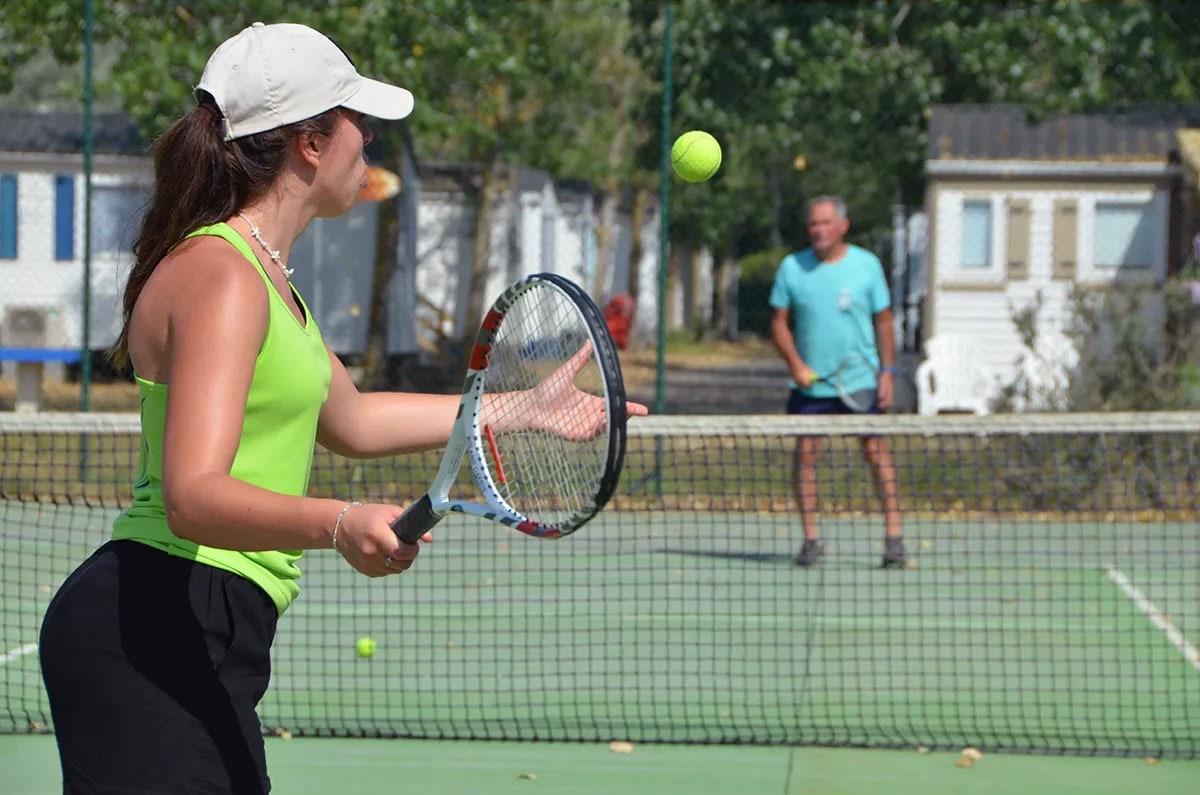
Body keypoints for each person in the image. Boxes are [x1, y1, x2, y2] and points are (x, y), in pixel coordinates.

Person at [37, 22, 646, 794]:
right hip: (158, 620)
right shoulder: (222, 275)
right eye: (359, 120)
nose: (372, 142)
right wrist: (337, 521)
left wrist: (515, 406)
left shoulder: (266, 278)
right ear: (311, 144)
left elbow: (352, 420)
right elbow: (192, 494)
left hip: (207, 625)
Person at [768, 196, 905, 569]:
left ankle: (894, 538)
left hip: (860, 381)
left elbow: (884, 321)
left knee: (876, 453)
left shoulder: (867, 266)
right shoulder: (791, 268)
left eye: (826, 223)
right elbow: (778, 322)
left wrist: (888, 373)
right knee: (806, 458)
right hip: (811, 388)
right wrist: (795, 364)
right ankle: (811, 540)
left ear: (843, 225)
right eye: (814, 224)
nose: (819, 230)